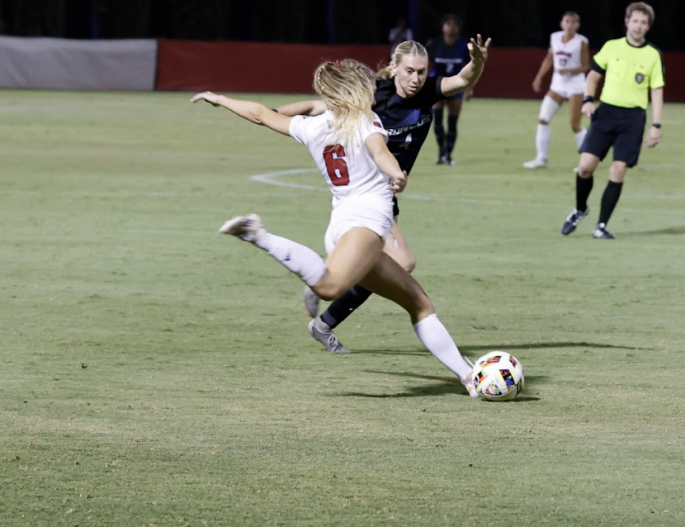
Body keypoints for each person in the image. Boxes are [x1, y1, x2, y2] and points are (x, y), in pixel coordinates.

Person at [190, 59, 480, 396]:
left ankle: (468, 377)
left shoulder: (314, 125)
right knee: (329, 287)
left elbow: (260, 114)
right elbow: (380, 150)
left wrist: (222, 99)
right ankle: (258, 233)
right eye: (370, 82)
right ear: (356, 87)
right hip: (366, 224)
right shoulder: (364, 120)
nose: (376, 86)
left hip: (344, 225)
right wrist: (395, 173)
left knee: (419, 304)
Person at [273, 36, 491, 352]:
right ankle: (326, 302)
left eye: (421, 71)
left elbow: (463, 78)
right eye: (409, 71)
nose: (416, 79)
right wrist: (273, 113)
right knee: (401, 261)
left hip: (388, 194)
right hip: (367, 192)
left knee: (390, 263)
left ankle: (326, 298)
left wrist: (479, 61)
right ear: (394, 67)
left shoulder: (426, 92)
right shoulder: (374, 95)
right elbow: (314, 106)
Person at [561, 2, 664, 240]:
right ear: (627, 21)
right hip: (606, 114)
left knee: (618, 171)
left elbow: (657, 91)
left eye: (644, 22)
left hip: (633, 118)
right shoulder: (612, 47)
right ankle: (579, 209)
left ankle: (601, 226)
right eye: (635, 21)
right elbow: (593, 76)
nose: (639, 26)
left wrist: (656, 125)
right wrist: (587, 99)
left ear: (648, 27)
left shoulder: (653, 55)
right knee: (585, 167)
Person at [523, 11, 591, 169]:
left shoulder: (581, 42)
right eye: (567, 21)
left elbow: (585, 66)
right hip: (558, 85)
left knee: (575, 124)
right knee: (543, 119)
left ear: (578, 26)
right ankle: (541, 158)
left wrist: (570, 70)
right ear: (562, 24)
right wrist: (539, 77)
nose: (570, 25)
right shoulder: (554, 37)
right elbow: (549, 58)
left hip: (576, 85)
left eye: (573, 22)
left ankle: (587, 160)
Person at [426, 14, 471, 165]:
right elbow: (423, 64)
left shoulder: (463, 46)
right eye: (448, 24)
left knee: (452, 122)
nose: (451, 27)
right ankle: (441, 153)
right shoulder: (434, 44)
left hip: (456, 86)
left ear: (458, 28)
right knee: (437, 121)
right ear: (443, 27)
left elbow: (471, 68)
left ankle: (448, 155)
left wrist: (469, 88)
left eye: (454, 24)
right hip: (437, 86)